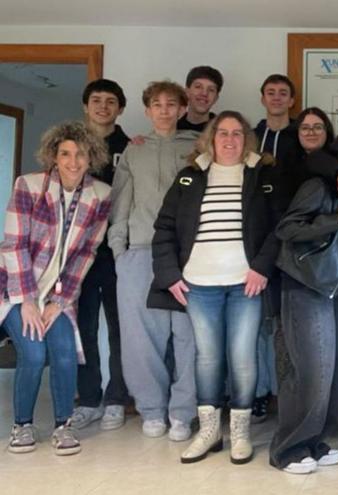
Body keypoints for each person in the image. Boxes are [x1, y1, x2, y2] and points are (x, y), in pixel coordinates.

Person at [151, 111, 278, 464]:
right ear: (210, 138)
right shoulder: (190, 176)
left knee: (242, 358)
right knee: (207, 358)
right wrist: (169, 275)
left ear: (247, 140)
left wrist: (261, 267)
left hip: (244, 284)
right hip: (199, 284)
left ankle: (240, 432)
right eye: (222, 133)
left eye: (237, 133)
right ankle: (209, 432)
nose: (229, 140)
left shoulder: (261, 175)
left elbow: (277, 228)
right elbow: (164, 229)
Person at [2, 121, 112, 455]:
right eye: (65, 153)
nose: (73, 161)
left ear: (91, 157)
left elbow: (85, 252)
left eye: (80, 154)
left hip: (57, 296)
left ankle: (63, 425)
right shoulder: (29, 186)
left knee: (64, 352)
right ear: (53, 155)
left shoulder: (101, 195)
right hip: (14, 292)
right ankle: (22, 425)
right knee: (34, 353)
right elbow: (13, 245)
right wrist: (27, 302)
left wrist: (60, 301)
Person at [271, 128, 338, 474]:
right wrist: (335, 221)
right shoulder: (320, 186)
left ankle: (314, 441)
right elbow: (287, 229)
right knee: (311, 371)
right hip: (306, 283)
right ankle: (288, 448)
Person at [108, 80, 198, 441]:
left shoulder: (196, 147)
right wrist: (119, 250)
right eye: (156, 104)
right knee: (141, 339)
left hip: (187, 255)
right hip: (140, 252)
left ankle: (183, 412)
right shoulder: (135, 150)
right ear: (147, 111)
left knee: (189, 336)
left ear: (181, 110)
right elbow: (120, 201)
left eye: (171, 104)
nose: (164, 110)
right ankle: (151, 409)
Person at [70, 79, 132, 432]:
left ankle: (116, 399)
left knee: (121, 328)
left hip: (115, 249)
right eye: (96, 100)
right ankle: (89, 399)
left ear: (120, 108)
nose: (103, 107)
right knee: (84, 327)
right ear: (85, 105)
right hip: (78, 251)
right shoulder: (71, 147)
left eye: (111, 101)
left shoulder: (130, 146)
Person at [250, 73, 297, 423]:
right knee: (260, 323)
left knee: (287, 321)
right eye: (271, 93)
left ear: (291, 100)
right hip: (257, 240)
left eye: (283, 93)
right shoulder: (250, 138)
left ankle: (288, 393)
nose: (277, 98)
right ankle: (260, 392)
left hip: (294, 241)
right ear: (263, 98)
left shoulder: (302, 135)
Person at [178, 66, 223, 133]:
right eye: (198, 87)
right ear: (187, 92)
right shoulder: (171, 127)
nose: (204, 93)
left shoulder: (222, 130)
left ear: (216, 98)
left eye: (211, 90)